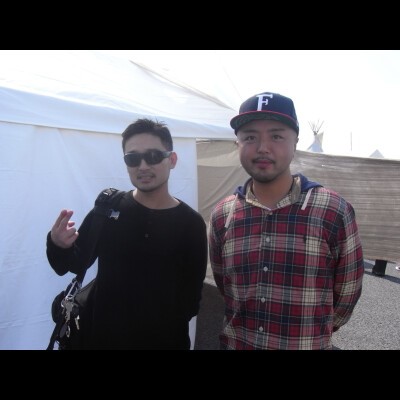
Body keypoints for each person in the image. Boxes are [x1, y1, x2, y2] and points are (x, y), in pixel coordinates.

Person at [209, 92, 364, 350]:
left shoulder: (332, 210)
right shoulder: (223, 214)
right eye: (250, 137)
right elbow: (225, 284)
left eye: (276, 136)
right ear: (238, 144)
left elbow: (346, 294)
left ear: (295, 143)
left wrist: (312, 331)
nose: (262, 147)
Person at [46, 118, 208, 350]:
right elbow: (72, 264)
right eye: (133, 158)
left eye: (153, 156)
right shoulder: (109, 208)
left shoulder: (191, 224)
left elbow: (191, 300)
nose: (143, 166)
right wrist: (58, 244)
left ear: (172, 160)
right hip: (101, 338)